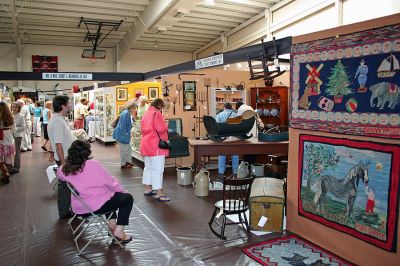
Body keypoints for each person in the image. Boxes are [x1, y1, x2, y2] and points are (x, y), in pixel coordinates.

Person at [57, 140, 133, 244]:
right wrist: (124, 192)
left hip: (80, 206)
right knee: (127, 198)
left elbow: (59, 174)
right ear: (87, 152)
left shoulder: (64, 169)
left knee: (108, 194)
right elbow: (111, 183)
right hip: (95, 206)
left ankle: (112, 225)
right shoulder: (93, 165)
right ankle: (119, 232)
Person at [140, 98, 170, 202]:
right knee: (158, 169)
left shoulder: (146, 113)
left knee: (148, 167)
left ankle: (148, 188)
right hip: (155, 145)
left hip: (145, 143)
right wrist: (166, 124)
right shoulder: (156, 113)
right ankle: (159, 193)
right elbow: (161, 129)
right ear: (160, 106)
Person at [48, 96, 75, 166]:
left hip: (68, 157)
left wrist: (52, 153)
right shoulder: (57, 121)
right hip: (65, 158)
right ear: (63, 106)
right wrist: (63, 164)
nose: (70, 105)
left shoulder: (59, 119)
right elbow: (58, 144)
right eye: (68, 103)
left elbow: (54, 139)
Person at [216, 102, 239, 178]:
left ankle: (221, 171)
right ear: (231, 107)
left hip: (223, 138)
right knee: (235, 154)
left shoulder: (220, 115)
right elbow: (239, 126)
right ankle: (235, 171)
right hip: (233, 138)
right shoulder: (235, 115)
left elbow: (216, 126)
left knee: (222, 154)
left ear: (224, 107)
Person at [113, 102, 137, 169]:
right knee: (123, 150)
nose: (135, 109)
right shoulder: (126, 113)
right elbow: (123, 125)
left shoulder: (126, 112)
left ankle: (128, 161)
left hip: (122, 133)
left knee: (128, 148)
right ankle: (123, 164)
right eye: (135, 108)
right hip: (122, 134)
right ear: (132, 107)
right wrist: (125, 134)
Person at [0, 102, 16, 185]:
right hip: (9, 139)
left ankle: (4, 173)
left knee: (0, 158)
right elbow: (14, 130)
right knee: (8, 158)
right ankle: (7, 173)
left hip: (0, 140)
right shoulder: (11, 117)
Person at [11, 102, 26, 175]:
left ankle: (16, 168)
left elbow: (23, 127)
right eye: (13, 107)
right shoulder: (10, 115)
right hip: (9, 136)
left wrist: (14, 128)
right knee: (9, 152)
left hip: (17, 136)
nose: (14, 108)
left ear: (18, 108)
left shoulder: (21, 116)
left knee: (17, 152)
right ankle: (9, 166)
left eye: (15, 107)